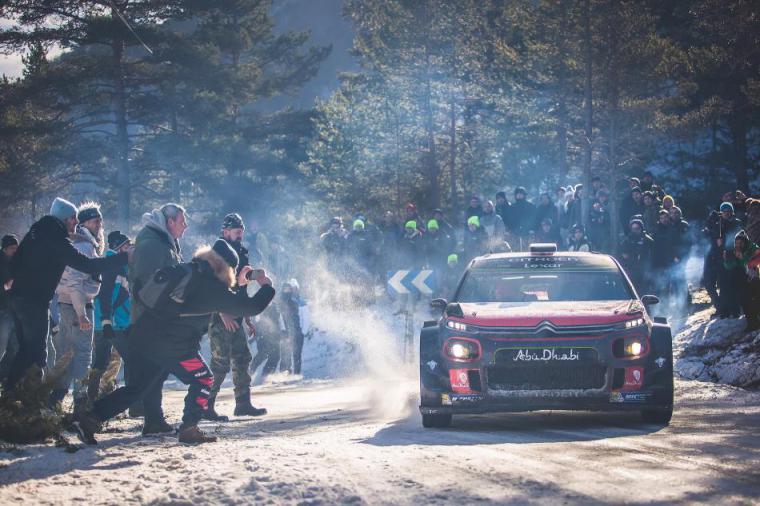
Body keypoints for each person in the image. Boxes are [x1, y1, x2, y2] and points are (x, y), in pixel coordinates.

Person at [74, 240, 275, 445]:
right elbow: (251, 307)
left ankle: (90, 419)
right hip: (175, 346)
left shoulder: (188, 271)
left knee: (138, 387)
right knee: (204, 378)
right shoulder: (212, 285)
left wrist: (238, 286)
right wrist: (266, 285)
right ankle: (189, 428)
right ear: (226, 267)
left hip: (144, 336)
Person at [3, 198, 129, 391]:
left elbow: (15, 260)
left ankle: (12, 397)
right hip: (34, 302)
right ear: (64, 218)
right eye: (72, 219)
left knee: (25, 350)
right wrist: (123, 258)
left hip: (18, 299)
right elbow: (86, 265)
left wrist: (9, 279)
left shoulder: (36, 231)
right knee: (38, 353)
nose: (75, 223)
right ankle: (32, 401)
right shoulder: (55, 239)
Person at [128, 203, 187, 434]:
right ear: (170, 222)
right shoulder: (153, 244)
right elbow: (149, 285)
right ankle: (95, 414)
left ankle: (154, 419)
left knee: (156, 371)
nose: (185, 226)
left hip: (157, 317)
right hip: (150, 319)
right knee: (152, 371)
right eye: (182, 222)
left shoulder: (163, 240)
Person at [205, 213, 267, 421]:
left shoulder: (242, 252)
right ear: (225, 232)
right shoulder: (219, 251)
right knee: (220, 362)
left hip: (236, 314)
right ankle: (206, 405)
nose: (239, 234)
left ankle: (242, 404)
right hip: (219, 314)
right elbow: (211, 285)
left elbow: (242, 288)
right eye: (235, 230)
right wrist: (222, 313)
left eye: (241, 230)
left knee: (242, 357)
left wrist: (247, 315)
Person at [50, 202, 106, 410]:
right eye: (94, 221)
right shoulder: (83, 245)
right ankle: (80, 401)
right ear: (83, 223)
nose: (98, 224)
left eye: (99, 220)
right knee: (82, 353)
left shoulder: (80, 241)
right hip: (77, 305)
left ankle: (55, 399)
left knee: (66, 353)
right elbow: (74, 282)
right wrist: (81, 313)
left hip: (65, 304)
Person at [89, 231, 132, 403]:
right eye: (127, 247)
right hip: (114, 324)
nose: (130, 250)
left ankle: (90, 399)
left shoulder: (110, 264)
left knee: (100, 361)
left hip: (103, 323)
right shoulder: (115, 266)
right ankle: (133, 401)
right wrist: (108, 318)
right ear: (119, 249)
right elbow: (107, 294)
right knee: (132, 359)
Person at [249, 300, 284, 381]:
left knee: (276, 356)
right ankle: (250, 373)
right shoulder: (259, 306)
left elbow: (280, 320)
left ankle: (266, 375)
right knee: (262, 354)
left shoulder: (275, 306)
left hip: (275, 336)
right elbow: (255, 321)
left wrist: (282, 331)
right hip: (263, 336)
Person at [619, 219, 654, 294]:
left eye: (637, 229)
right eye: (633, 229)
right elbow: (623, 254)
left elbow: (651, 256)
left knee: (644, 291)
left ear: (641, 229)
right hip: (631, 270)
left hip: (644, 271)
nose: (635, 231)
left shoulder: (648, 240)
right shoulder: (628, 240)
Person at [0, 234, 18, 378]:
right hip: (3, 310)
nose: (15, 251)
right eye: (12, 248)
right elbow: (6, 285)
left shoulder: (13, 263)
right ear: (5, 249)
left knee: (12, 348)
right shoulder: (3, 263)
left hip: (11, 311)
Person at [279, 280, 305, 375]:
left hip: (296, 332)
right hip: (286, 332)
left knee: (297, 354)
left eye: (289, 289)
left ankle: (297, 374)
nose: (288, 290)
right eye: (285, 289)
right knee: (286, 354)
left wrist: (302, 331)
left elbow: (299, 317)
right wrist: (283, 331)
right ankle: (284, 373)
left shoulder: (294, 301)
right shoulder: (280, 301)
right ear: (282, 290)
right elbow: (280, 317)